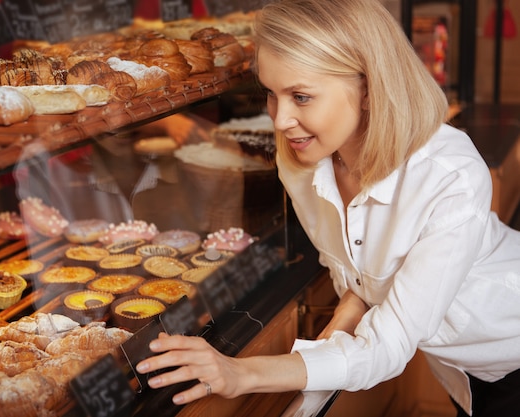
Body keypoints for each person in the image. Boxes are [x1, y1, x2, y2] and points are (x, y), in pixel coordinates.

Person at [134, 1, 520, 416]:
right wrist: (341, 325)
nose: (280, 121)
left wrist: (242, 373)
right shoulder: (302, 159)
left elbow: (388, 346)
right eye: (271, 94)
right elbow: (356, 271)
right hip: (457, 367)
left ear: (370, 87)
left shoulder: (449, 176)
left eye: (301, 96)